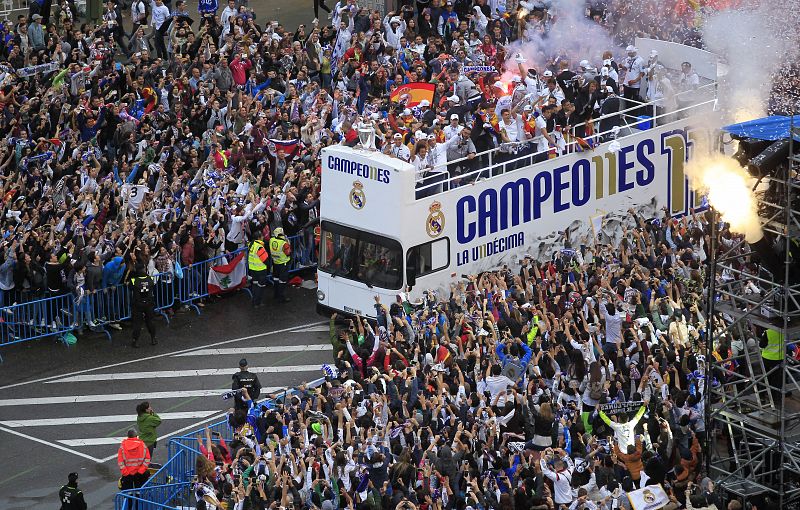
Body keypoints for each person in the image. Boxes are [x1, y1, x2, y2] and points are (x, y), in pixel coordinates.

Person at [130, 265, 157, 347]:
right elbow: (152, 286)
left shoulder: (134, 281)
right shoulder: (150, 279)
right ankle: (153, 338)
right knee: (150, 321)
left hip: (137, 304)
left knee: (137, 323)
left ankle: (136, 341)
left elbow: (130, 287)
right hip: (149, 303)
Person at [269, 227, 292, 303]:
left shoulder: (271, 240)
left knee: (276, 279)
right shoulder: (284, 243)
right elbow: (288, 253)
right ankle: (282, 297)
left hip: (275, 263)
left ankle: (275, 295)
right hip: (283, 263)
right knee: (282, 281)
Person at [247, 230, 269, 307]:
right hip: (260, 269)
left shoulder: (251, 244)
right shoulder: (259, 247)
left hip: (253, 269)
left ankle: (254, 301)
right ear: (259, 238)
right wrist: (269, 266)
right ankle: (257, 302)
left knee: (255, 285)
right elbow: (265, 259)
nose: (263, 237)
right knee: (261, 286)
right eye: (262, 236)